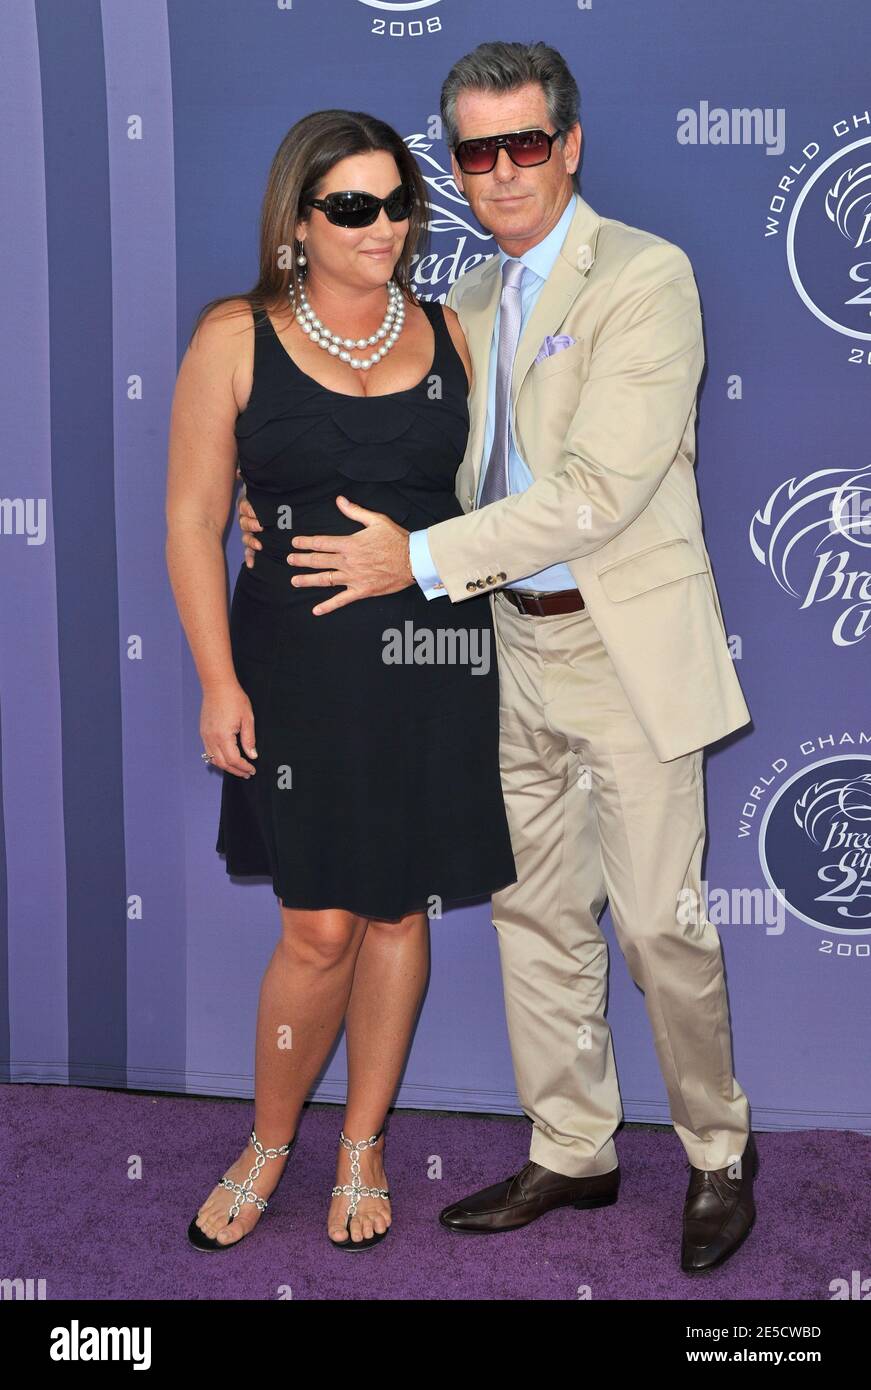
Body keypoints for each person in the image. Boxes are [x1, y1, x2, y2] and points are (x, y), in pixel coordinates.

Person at [238, 41, 758, 1273]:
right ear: (455, 163)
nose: (505, 169)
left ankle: (717, 1150)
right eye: (477, 149)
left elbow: (596, 491)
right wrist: (275, 508)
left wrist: (407, 561)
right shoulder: (461, 305)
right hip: (494, 653)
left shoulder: (645, 274)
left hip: (620, 643)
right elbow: (404, 459)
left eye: (527, 142)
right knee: (533, 915)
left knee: (657, 926)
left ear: (569, 144)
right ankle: (573, 1147)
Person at [165, 108, 517, 1253]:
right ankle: (270, 1141)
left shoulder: (458, 331)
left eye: (396, 202)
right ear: (297, 223)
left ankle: (362, 1143)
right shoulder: (234, 335)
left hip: (433, 663)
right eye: (350, 206)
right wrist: (218, 681)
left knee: (395, 908)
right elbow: (192, 519)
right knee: (317, 925)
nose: (381, 225)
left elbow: (495, 500)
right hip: (296, 671)